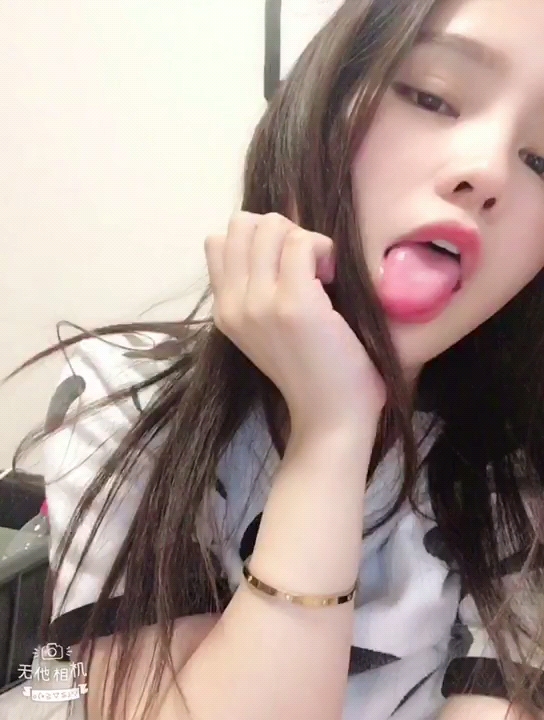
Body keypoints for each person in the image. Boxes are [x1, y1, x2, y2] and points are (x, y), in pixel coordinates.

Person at [9, 0, 544, 718]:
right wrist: (333, 430)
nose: (487, 172)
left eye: (542, 160)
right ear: (317, 108)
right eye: (431, 96)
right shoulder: (124, 395)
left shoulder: (514, 475)